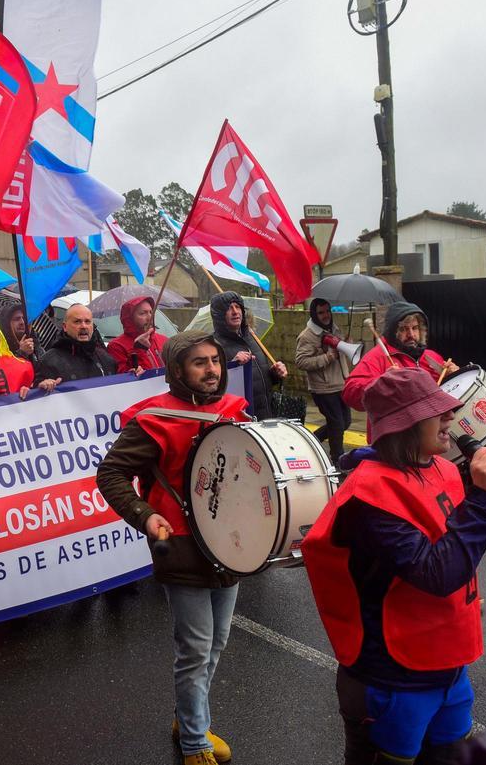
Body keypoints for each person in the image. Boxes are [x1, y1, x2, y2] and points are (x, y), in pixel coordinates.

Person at [301, 367, 486, 765]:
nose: (450, 415)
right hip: (392, 677)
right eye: (436, 410)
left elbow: (456, 542)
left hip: (448, 666)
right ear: (405, 424)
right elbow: (437, 573)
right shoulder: (368, 497)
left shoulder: (440, 468)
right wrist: (484, 501)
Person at [96, 330, 249, 765]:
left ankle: (188, 717)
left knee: (216, 642)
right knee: (195, 648)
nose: (212, 370)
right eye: (200, 362)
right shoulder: (154, 419)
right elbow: (110, 474)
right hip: (179, 542)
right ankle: (195, 741)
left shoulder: (233, 411)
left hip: (229, 543)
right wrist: (145, 516)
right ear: (178, 369)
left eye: (215, 361)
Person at [343, 301, 459, 441]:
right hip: (393, 443)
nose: (411, 334)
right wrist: (382, 383)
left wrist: (453, 377)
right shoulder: (378, 356)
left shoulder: (431, 357)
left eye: (415, 328)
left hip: (427, 439)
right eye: (404, 329)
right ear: (393, 332)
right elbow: (350, 392)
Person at [210, 291, 287, 420]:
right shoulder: (213, 345)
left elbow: (260, 378)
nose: (235, 312)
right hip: (241, 418)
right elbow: (213, 387)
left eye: (238, 307)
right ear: (219, 315)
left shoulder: (252, 337)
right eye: (229, 308)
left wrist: (275, 374)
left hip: (266, 415)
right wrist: (233, 365)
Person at [296, 298, 352, 462]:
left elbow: (340, 354)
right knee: (337, 424)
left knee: (345, 422)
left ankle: (311, 441)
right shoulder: (307, 336)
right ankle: (337, 459)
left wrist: (347, 345)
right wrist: (326, 358)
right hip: (323, 388)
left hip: (341, 384)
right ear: (314, 314)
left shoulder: (334, 329)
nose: (326, 315)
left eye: (328, 311)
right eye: (321, 312)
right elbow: (301, 362)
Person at [33, 303, 117, 390]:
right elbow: (35, 393)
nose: (83, 326)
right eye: (77, 322)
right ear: (65, 327)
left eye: (87, 321)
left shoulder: (106, 359)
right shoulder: (49, 361)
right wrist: (42, 386)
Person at [108, 296, 169, 373]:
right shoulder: (117, 346)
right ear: (130, 318)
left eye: (151, 312)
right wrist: (138, 349)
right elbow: (121, 376)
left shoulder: (163, 340)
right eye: (142, 313)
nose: (149, 318)